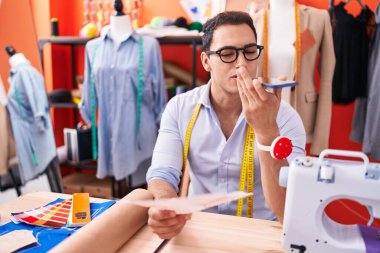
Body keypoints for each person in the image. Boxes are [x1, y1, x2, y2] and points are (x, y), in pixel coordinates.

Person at [146, 11, 306, 239]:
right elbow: (164, 172)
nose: (242, 64)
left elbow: (288, 208)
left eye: (250, 52)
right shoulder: (179, 108)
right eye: (227, 54)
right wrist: (165, 205)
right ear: (205, 61)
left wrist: (267, 132)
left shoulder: (285, 117)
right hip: (198, 229)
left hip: (263, 233)